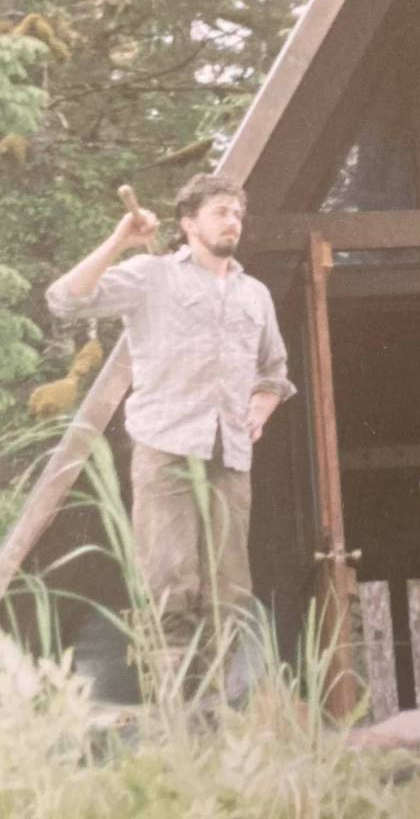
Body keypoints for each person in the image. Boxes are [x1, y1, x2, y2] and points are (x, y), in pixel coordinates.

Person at [47, 173, 296, 691]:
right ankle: (173, 704)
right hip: (165, 449)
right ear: (188, 223)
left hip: (230, 456)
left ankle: (215, 706)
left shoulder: (255, 294)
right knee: (169, 581)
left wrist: (261, 407)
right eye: (220, 212)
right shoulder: (151, 276)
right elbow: (65, 300)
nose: (233, 221)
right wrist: (120, 240)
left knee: (230, 591)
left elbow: (274, 371)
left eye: (237, 214)